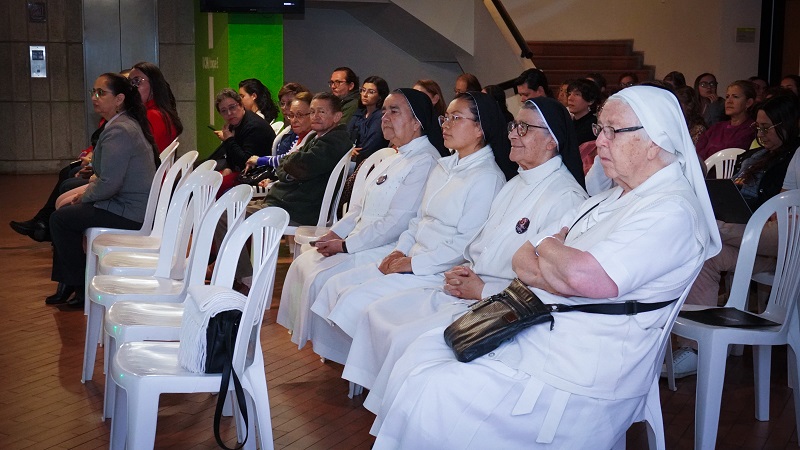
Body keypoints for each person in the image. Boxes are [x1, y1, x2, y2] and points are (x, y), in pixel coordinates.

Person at [369, 85, 721, 449]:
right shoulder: (610, 197)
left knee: (433, 389)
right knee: (421, 353)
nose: (599, 141)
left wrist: (550, 250)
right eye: (600, 129)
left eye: (614, 131)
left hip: (584, 363)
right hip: (551, 327)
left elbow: (582, 276)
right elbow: (524, 259)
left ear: (656, 140)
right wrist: (556, 262)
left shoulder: (671, 210)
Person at [323, 97, 587, 410]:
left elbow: (550, 285)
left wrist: (482, 288)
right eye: (514, 126)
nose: (513, 134)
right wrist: (465, 272)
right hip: (467, 284)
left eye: (524, 128)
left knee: (409, 342)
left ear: (552, 141)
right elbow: (477, 244)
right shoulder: (517, 182)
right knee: (380, 315)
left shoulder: (566, 198)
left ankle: (400, 414)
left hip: (504, 304)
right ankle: (388, 406)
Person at [308, 92, 512, 363]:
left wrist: (411, 263)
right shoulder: (445, 165)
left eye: (456, 118)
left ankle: (367, 371)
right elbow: (418, 219)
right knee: (337, 287)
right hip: (410, 257)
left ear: (479, 128)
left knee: (359, 301)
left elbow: (463, 245)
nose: (446, 125)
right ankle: (352, 364)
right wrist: (398, 252)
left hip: (436, 270)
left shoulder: (487, 177)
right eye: (445, 117)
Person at [276, 88, 446, 349]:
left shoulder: (425, 161)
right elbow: (358, 208)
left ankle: (341, 352)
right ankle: (315, 341)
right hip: (361, 238)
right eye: (385, 110)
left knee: (322, 278)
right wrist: (335, 234)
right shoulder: (396, 156)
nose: (385, 117)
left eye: (394, 111)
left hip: (386, 245)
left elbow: (396, 223)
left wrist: (345, 246)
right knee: (305, 263)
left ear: (417, 122)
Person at [673, 94, 800, 378]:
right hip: (749, 231)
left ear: (788, 124)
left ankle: (707, 226)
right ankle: (696, 347)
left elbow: (783, 212)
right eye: (758, 128)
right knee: (704, 254)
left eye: (767, 127)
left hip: (781, 243)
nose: (761, 134)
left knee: (706, 231)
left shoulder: (793, 155)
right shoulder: (756, 155)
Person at [11, 62, 182, 241]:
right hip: (130, 187)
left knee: (65, 199)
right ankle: (49, 228)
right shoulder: (131, 118)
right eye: (94, 92)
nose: (132, 86)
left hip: (131, 196)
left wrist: (91, 178)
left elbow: (117, 172)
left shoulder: (145, 118)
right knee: (67, 186)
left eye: (137, 81)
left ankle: (55, 234)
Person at [46, 73, 159, 307]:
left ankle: (77, 287)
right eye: (93, 92)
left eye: (101, 93)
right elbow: (109, 176)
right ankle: (71, 283)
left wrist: (83, 197)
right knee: (64, 208)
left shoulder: (120, 129)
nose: (94, 98)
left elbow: (109, 184)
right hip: (125, 202)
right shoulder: (120, 123)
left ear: (119, 99)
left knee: (60, 219)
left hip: (129, 211)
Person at [260, 92, 354, 225]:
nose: (315, 116)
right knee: (234, 212)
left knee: (231, 216)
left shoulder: (336, 142)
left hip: (299, 210)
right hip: (284, 203)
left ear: (337, 116)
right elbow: (284, 164)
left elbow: (301, 166)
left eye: (321, 112)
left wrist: (291, 161)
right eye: (312, 112)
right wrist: (290, 168)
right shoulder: (313, 137)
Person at [205, 88, 276, 194]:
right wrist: (228, 168)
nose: (229, 113)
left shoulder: (254, 126)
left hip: (259, 174)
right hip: (243, 172)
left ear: (241, 105)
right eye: (224, 111)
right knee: (204, 179)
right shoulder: (235, 124)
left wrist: (229, 139)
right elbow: (232, 158)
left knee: (211, 188)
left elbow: (245, 161)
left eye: (232, 107)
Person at [244, 91, 315, 173]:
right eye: (291, 115)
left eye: (299, 115)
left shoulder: (314, 139)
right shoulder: (298, 135)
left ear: (312, 114)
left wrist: (261, 160)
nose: (294, 120)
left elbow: (289, 160)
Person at [695, 80, 756, 160]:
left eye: (735, 97)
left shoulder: (752, 129)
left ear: (748, 102)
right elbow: (698, 151)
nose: (729, 101)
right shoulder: (716, 128)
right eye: (727, 97)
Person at [347, 76, 390, 165]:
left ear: (380, 96)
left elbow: (371, 146)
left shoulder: (381, 117)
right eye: (363, 90)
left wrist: (351, 153)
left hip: (370, 163)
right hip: (350, 160)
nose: (365, 95)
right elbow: (345, 137)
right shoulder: (359, 113)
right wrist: (348, 150)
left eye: (371, 92)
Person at [566, 78, 601, 145]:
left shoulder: (593, 126)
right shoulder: (569, 123)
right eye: (569, 94)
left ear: (590, 100)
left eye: (577, 94)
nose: (570, 98)